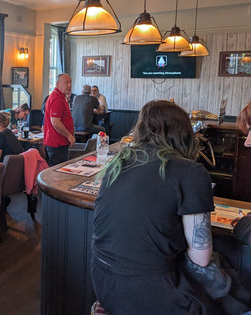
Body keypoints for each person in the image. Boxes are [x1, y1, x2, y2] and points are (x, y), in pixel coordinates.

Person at [91, 100, 215, 314]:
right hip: (151, 294)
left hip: (103, 283)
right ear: (184, 133)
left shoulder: (118, 163)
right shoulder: (191, 172)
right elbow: (201, 258)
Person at [43, 73, 75, 166]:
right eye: (66, 82)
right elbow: (56, 122)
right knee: (58, 171)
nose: (69, 85)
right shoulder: (57, 98)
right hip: (57, 143)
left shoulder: (60, 97)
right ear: (58, 84)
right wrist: (69, 136)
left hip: (59, 141)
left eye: (70, 82)